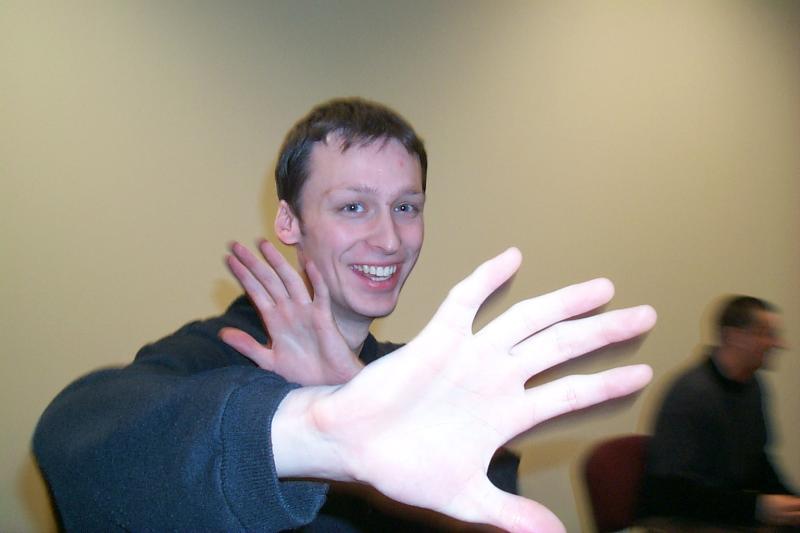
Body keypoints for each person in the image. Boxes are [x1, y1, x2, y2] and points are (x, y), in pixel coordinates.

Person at [33, 97, 657, 533]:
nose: (389, 239)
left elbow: (500, 509)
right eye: (354, 207)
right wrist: (316, 424)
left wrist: (355, 389)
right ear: (288, 221)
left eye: (406, 207)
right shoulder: (218, 353)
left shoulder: (417, 375)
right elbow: (77, 439)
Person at [639, 296, 800, 530]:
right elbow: (671, 494)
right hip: (684, 521)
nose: (777, 343)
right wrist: (757, 507)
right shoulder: (692, 393)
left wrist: (792, 504)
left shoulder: (752, 386)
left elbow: (756, 462)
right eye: (766, 333)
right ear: (734, 337)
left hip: (727, 513)